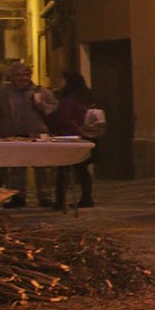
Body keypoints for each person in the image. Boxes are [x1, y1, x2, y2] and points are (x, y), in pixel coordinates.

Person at [0, 60, 58, 208]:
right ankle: (17, 197)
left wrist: (40, 104)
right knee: (16, 168)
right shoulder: (2, 93)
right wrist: (2, 131)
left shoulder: (41, 91)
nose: (23, 78)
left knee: (42, 167)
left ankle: (45, 196)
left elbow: (53, 113)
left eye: (26, 74)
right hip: (13, 135)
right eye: (18, 75)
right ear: (12, 76)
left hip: (37, 135)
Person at [46, 70, 98, 209]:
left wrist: (49, 115)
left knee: (63, 170)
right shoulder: (86, 97)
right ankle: (87, 197)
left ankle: (59, 201)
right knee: (82, 169)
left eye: (61, 79)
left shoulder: (69, 100)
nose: (58, 82)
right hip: (84, 137)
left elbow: (63, 119)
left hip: (68, 138)